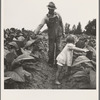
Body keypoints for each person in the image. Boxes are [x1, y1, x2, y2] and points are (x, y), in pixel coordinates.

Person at [34, 2, 65, 67]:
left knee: (58, 49)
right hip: (51, 35)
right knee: (51, 49)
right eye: (50, 9)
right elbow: (41, 25)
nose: (52, 10)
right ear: (48, 9)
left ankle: (57, 63)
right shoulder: (46, 17)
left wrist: (63, 32)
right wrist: (35, 32)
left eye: (53, 9)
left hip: (58, 34)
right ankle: (50, 62)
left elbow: (61, 23)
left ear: (54, 9)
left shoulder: (58, 15)